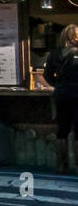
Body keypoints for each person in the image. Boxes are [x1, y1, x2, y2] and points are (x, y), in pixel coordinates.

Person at [42, 24, 78, 174]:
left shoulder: (54, 53)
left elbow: (46, 75)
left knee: (62, 130)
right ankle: (77, 166)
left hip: (61, 95)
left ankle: (61, 165)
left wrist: (57, 85)